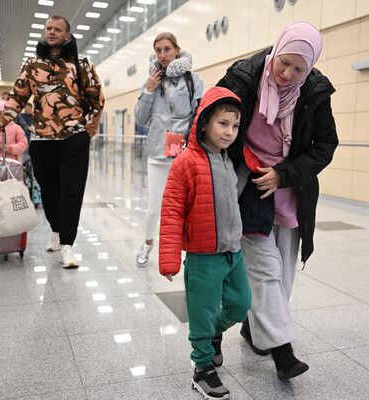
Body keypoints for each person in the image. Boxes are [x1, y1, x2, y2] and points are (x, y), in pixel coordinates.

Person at [217, 22, 339, 379]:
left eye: (299, 68)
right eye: (283, 62)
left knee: (283, 277)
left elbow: (324, 146)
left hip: (291, 190)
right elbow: (212, 121)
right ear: (276, 50)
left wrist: (283, 174)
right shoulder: (243, 76)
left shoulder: (315, 91)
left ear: (310, 67)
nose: (287, 74)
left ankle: (255, 329)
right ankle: (283, 353)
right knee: (264, 270)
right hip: (248, 185)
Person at [0, 15, 105, 268]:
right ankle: (56, 229)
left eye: (57, 29)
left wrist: (88, 131)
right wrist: (1, 121)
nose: (51, 32)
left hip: (74, 137)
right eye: (48, 28)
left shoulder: (81, 63)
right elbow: (17, 98)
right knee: (49, 191)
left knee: (72, 192)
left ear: (67, 35)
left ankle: (68, 246)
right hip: (42, 138)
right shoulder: (33, 65)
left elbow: (98, 100)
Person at [159, 87, 251, 400]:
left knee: (240, 304)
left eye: (235, 126)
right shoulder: (186, 162)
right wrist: (169, 258)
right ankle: (202, 368)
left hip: (233, 252)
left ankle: (214, 332)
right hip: (202, 257)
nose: (229, 132)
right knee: (202, 310)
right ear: (204, 123)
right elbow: (171, 211)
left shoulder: (226, 159)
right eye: (223, 124)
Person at [134, 32, 203, 267]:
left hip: (184, 154)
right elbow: (141, 119)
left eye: (167, 49)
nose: (163, 55)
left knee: (184, 205)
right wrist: (148, 91)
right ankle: (147, 244)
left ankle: (186, 250)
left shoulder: (194, 80)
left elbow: (199, 117)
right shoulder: (151, 80)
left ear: (176, 50)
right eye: (158, 50)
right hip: (156, 153)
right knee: (154, 207)